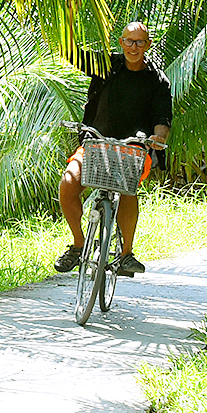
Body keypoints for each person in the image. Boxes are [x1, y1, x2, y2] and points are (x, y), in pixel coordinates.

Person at [56, 23, 173, 278]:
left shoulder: (157, 80)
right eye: (129, 41)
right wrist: (70, 15)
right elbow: (70, 52)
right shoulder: (106, 66)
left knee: (127, 186)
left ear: (148, 45)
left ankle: (125, 254)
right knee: (68, 183)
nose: (134, 47)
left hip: (133, 149)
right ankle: (78, 244)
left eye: (140, 42)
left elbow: (163, 118)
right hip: (95, 143)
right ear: (121, 43)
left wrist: (158, 138)